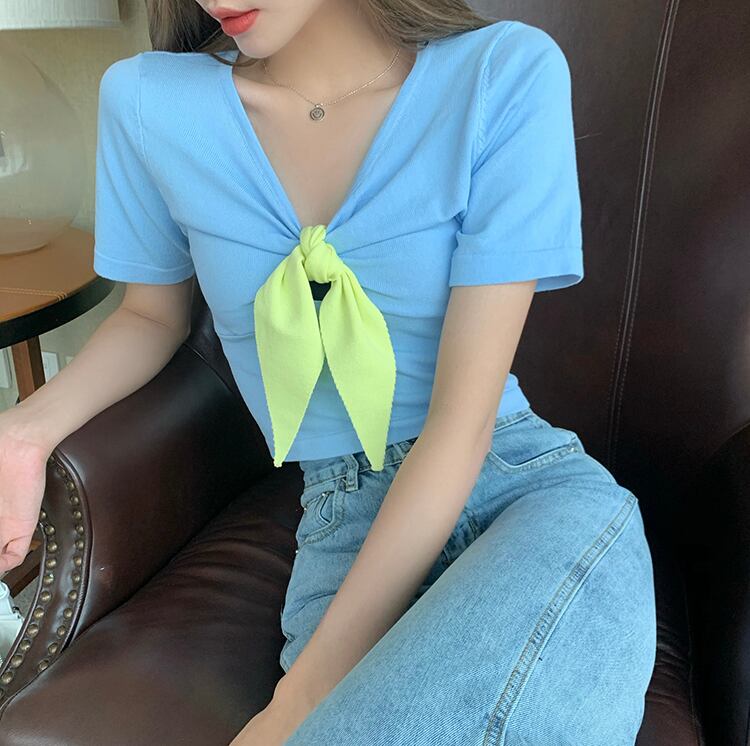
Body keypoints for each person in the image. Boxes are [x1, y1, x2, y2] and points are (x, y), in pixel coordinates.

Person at [0, 0, 657, 744]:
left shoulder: (502, 73)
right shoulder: (150, 102)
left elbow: (463, 422)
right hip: (340, 517)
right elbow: (151, 317)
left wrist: (299, 699)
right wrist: (21, 433)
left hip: (519, 489)